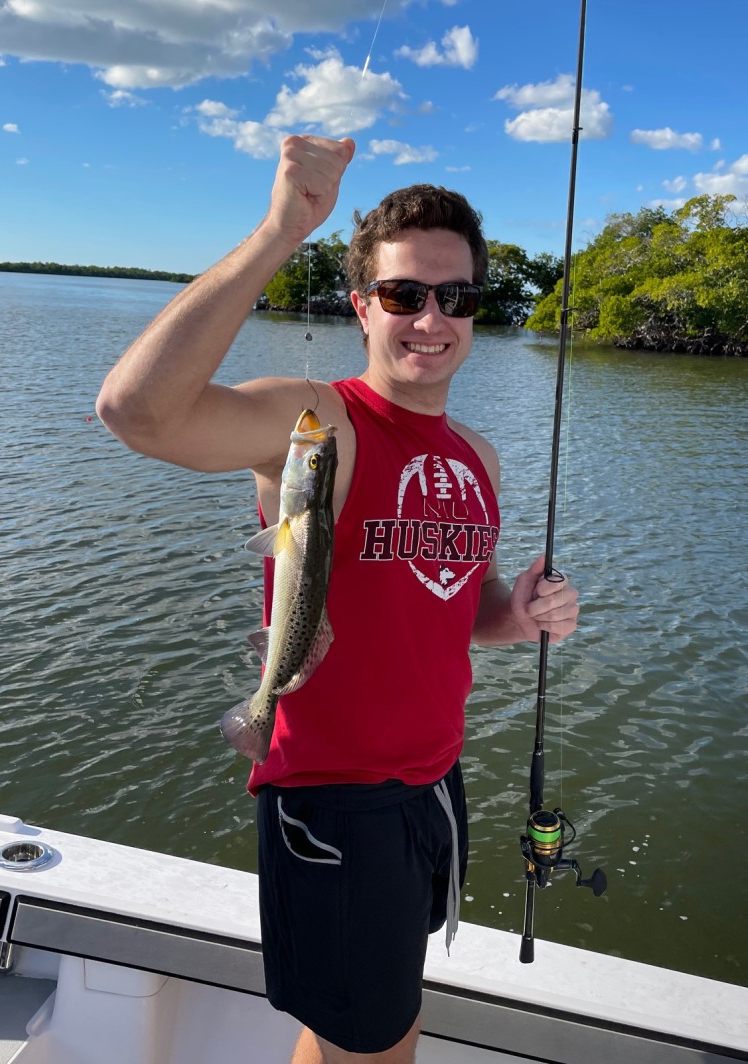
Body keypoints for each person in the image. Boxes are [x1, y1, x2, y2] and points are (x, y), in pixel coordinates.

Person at [96, 134, 579, 1064]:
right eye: (403, 294)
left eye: (456, 297)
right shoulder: (319, 425)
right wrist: (282, 230)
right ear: (362, 306)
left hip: (432, 785)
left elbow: (456, 605)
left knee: (362, 1024)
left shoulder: (477, 455)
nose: (430, 318)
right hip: (337, 802)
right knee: (379, 1046)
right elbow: (137, 412)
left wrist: (514, 619)